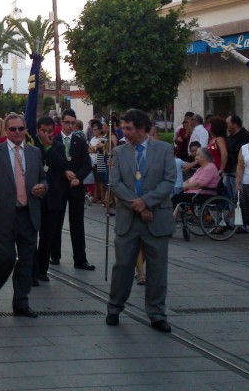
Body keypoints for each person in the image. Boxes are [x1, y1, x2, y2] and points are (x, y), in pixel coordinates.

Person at [105, 109, 178, 332]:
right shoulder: (119, 152)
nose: (124, 132)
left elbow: (169, 181)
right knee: (123, 266)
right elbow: (115, 183)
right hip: (129, 218)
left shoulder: (164, 149)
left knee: (157, 269)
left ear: (142, 128)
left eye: (129, 128)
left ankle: (157, 313)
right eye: (123, 128)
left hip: (156, 217)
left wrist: (146, 202)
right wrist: (136, 204)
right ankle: (114, 307)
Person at [0, 113, 47, 317]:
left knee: (27, 260)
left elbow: (43, 178)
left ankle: (21, 301)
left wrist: (42, 187)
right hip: (3, 214)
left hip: (28, 214)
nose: (18, 132)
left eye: (21, 129)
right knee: (6, 258)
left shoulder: (35, 152)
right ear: (6, 131)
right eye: (13, 129)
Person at [50, 109, 95, 271]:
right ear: (61, 123)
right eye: (67, 122)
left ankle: (80, 259)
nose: (69, 126)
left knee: (77, 223)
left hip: (76, 187)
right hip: (59, 187)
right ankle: (54, 254)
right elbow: (52, 164)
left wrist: (78, 178)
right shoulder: (54, 141)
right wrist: (64, 173)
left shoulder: (80, 141)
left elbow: (86, 164)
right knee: (56, 221)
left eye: (72, 123)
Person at [32, 116, 64, 283]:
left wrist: (48, 147)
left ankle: (42, 270)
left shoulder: (57, 146)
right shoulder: (30, 146)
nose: (46, 134)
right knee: (31, 236)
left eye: (50, 131)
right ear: (38, 130)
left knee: (47, 236)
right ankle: (31, 271)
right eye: (43, 131)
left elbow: (60, 166)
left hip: (52, 198)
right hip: (34, 196)